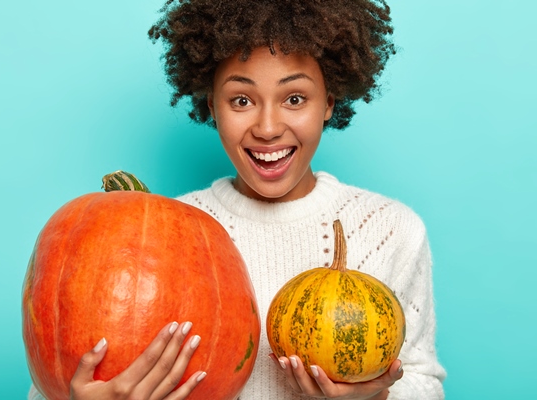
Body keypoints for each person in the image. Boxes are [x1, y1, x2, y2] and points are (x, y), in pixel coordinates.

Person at [28, 0, 446, 398]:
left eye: (295, 98)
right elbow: (58, 373)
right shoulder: (160, 234)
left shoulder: (390, 230)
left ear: (328, 104)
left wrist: (374, 398)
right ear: (213, 106)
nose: (267, 127)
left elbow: (425, 382)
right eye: (241, 100)